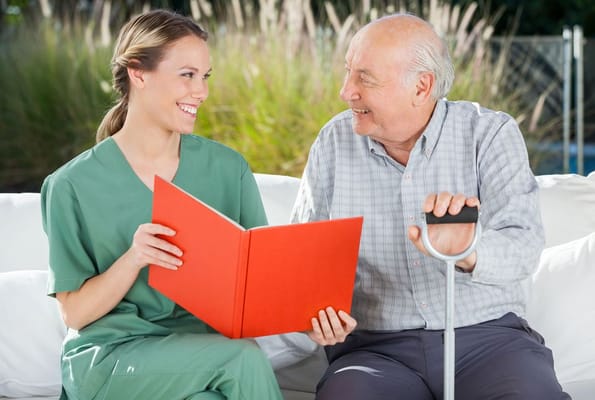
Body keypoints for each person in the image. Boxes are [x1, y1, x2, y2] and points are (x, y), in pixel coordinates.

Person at [293, 13, 571, 400]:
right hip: (375, 351)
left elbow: (523, 246)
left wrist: (467, 250)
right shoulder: (334, 142)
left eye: (365, 78)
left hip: (488, 341)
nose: (346, 91)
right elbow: (305, 257)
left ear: (422, 87)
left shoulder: (489, 134)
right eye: (348, 72)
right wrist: (314, 312)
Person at [41, 9, 283, 400]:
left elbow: (261, 281)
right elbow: (75, 314)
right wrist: (134, 257)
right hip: (112, 358)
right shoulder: (71, 185)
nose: (201, 91)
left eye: (204, 77)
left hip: (202, 355)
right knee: (244, 360)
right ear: (138, 73)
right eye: (187, 75)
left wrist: (310, 321)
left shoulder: (227, 169)